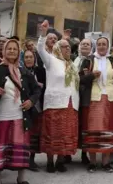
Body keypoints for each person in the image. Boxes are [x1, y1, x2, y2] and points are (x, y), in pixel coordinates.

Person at [0, 39, 41, 184]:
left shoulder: (23, 70)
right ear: (4, 51)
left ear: (19, 52)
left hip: (20, 115)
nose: (11, 51)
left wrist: (31, 101)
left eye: (14, 49)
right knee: (0, 146)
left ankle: (21, 178)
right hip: (2, 115)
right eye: (9, 49)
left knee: (21, 146)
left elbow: (37, 89)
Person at [37, 20, 79, 173]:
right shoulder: (50, 60)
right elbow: (40, 49)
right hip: (54, 104)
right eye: (64, 46)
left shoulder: (72, 65)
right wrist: (43, 34)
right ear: (57, 48)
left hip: (70, 104)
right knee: (52, 133)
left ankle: (60, 161)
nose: (67, 48)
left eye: (68, 46)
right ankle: (49, 162)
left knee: (65, 134)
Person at [80, 37, 113, 173]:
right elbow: (80, 79)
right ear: (96, 46)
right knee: (93, 130)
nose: (102, 46)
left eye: (104, 44)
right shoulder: (89, 60)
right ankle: (92, 162)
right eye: (99, 44)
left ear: (108, 46)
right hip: (93, 99)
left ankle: (106, 163)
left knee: (108, 129)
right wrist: (91, 75)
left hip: (110, 98)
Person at [23, 49, 45, 172]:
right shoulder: (20, 71)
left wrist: (40, 85)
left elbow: (46, 85)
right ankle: (23, 158)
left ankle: (32, 159)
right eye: (26, 57)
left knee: (36, 133)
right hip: (26, 106)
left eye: (31, 57)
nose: (29, 59)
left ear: (35, 58)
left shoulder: (41, 71)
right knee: (27, 133)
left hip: (38, 105)